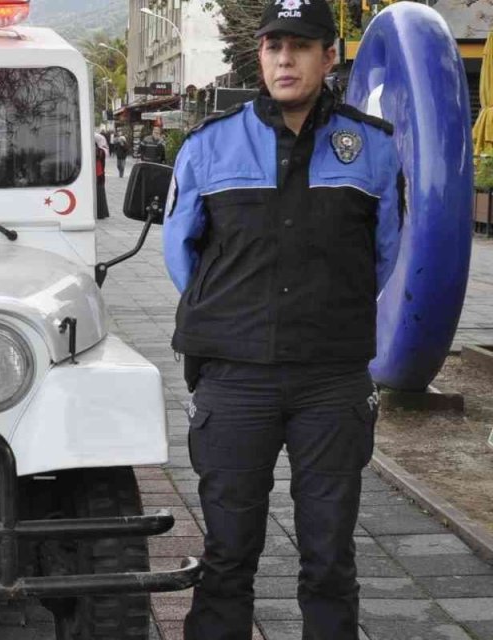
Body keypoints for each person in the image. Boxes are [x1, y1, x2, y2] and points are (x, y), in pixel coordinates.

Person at [163, 1, 401, 637]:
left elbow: (384, 253)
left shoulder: (372, 150)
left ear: (330, 57)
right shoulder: (209, 146)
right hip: (235, 378)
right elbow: (181, 253)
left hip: (332, 379)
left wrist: (320, 310)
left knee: (329, 555)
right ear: (260, 56)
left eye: (302, 46)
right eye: (273, 46)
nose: (285, 59)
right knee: (229, 550)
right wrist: (240, 314)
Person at [94, 130, 110, 219]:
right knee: (100, 193)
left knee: (99, 193)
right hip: (99, 174)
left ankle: (100, 212)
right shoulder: (101, 151)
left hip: (98, 174)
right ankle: (101, 212)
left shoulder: (99, 151)